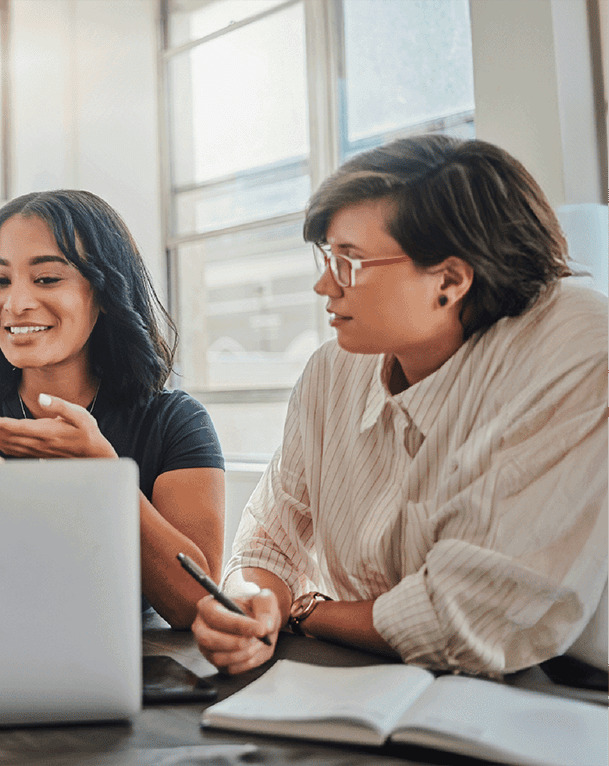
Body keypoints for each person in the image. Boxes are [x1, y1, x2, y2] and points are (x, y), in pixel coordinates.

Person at [191, 135, 608, 678]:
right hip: (379, 678)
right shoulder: (334, 368)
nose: (324, 284)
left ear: (450, 279)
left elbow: (465, 620)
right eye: (327, 257)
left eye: (350, 262)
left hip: (563, 692)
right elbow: (269, 542)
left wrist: (308, 612)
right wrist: (253, 605)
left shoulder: (574, 343)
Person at [0, 190, 225, 629]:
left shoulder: (174, 423)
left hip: (133, 674)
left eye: (47, 279)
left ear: (104, 291)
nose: (15, 304)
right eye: (0, 281)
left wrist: (105, 474)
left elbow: (198, 606)